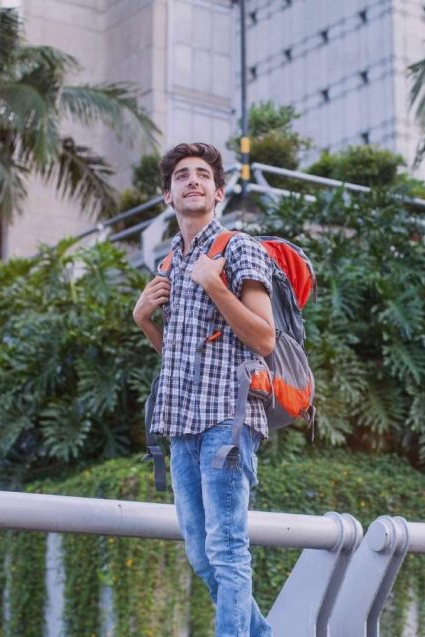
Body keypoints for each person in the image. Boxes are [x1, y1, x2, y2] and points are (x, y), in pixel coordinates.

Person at [133, 142, 275, 637]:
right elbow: (176, 356)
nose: (191, 180)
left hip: (227, 421)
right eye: (180, 176)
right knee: (200, 551)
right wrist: (144, 319)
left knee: (227, 547)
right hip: (180, 424)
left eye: (201, 175)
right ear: (168, 196)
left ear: (217, 193)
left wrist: (217, 286)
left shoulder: (238, 248)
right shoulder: (170, 263)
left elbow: (264, 337)